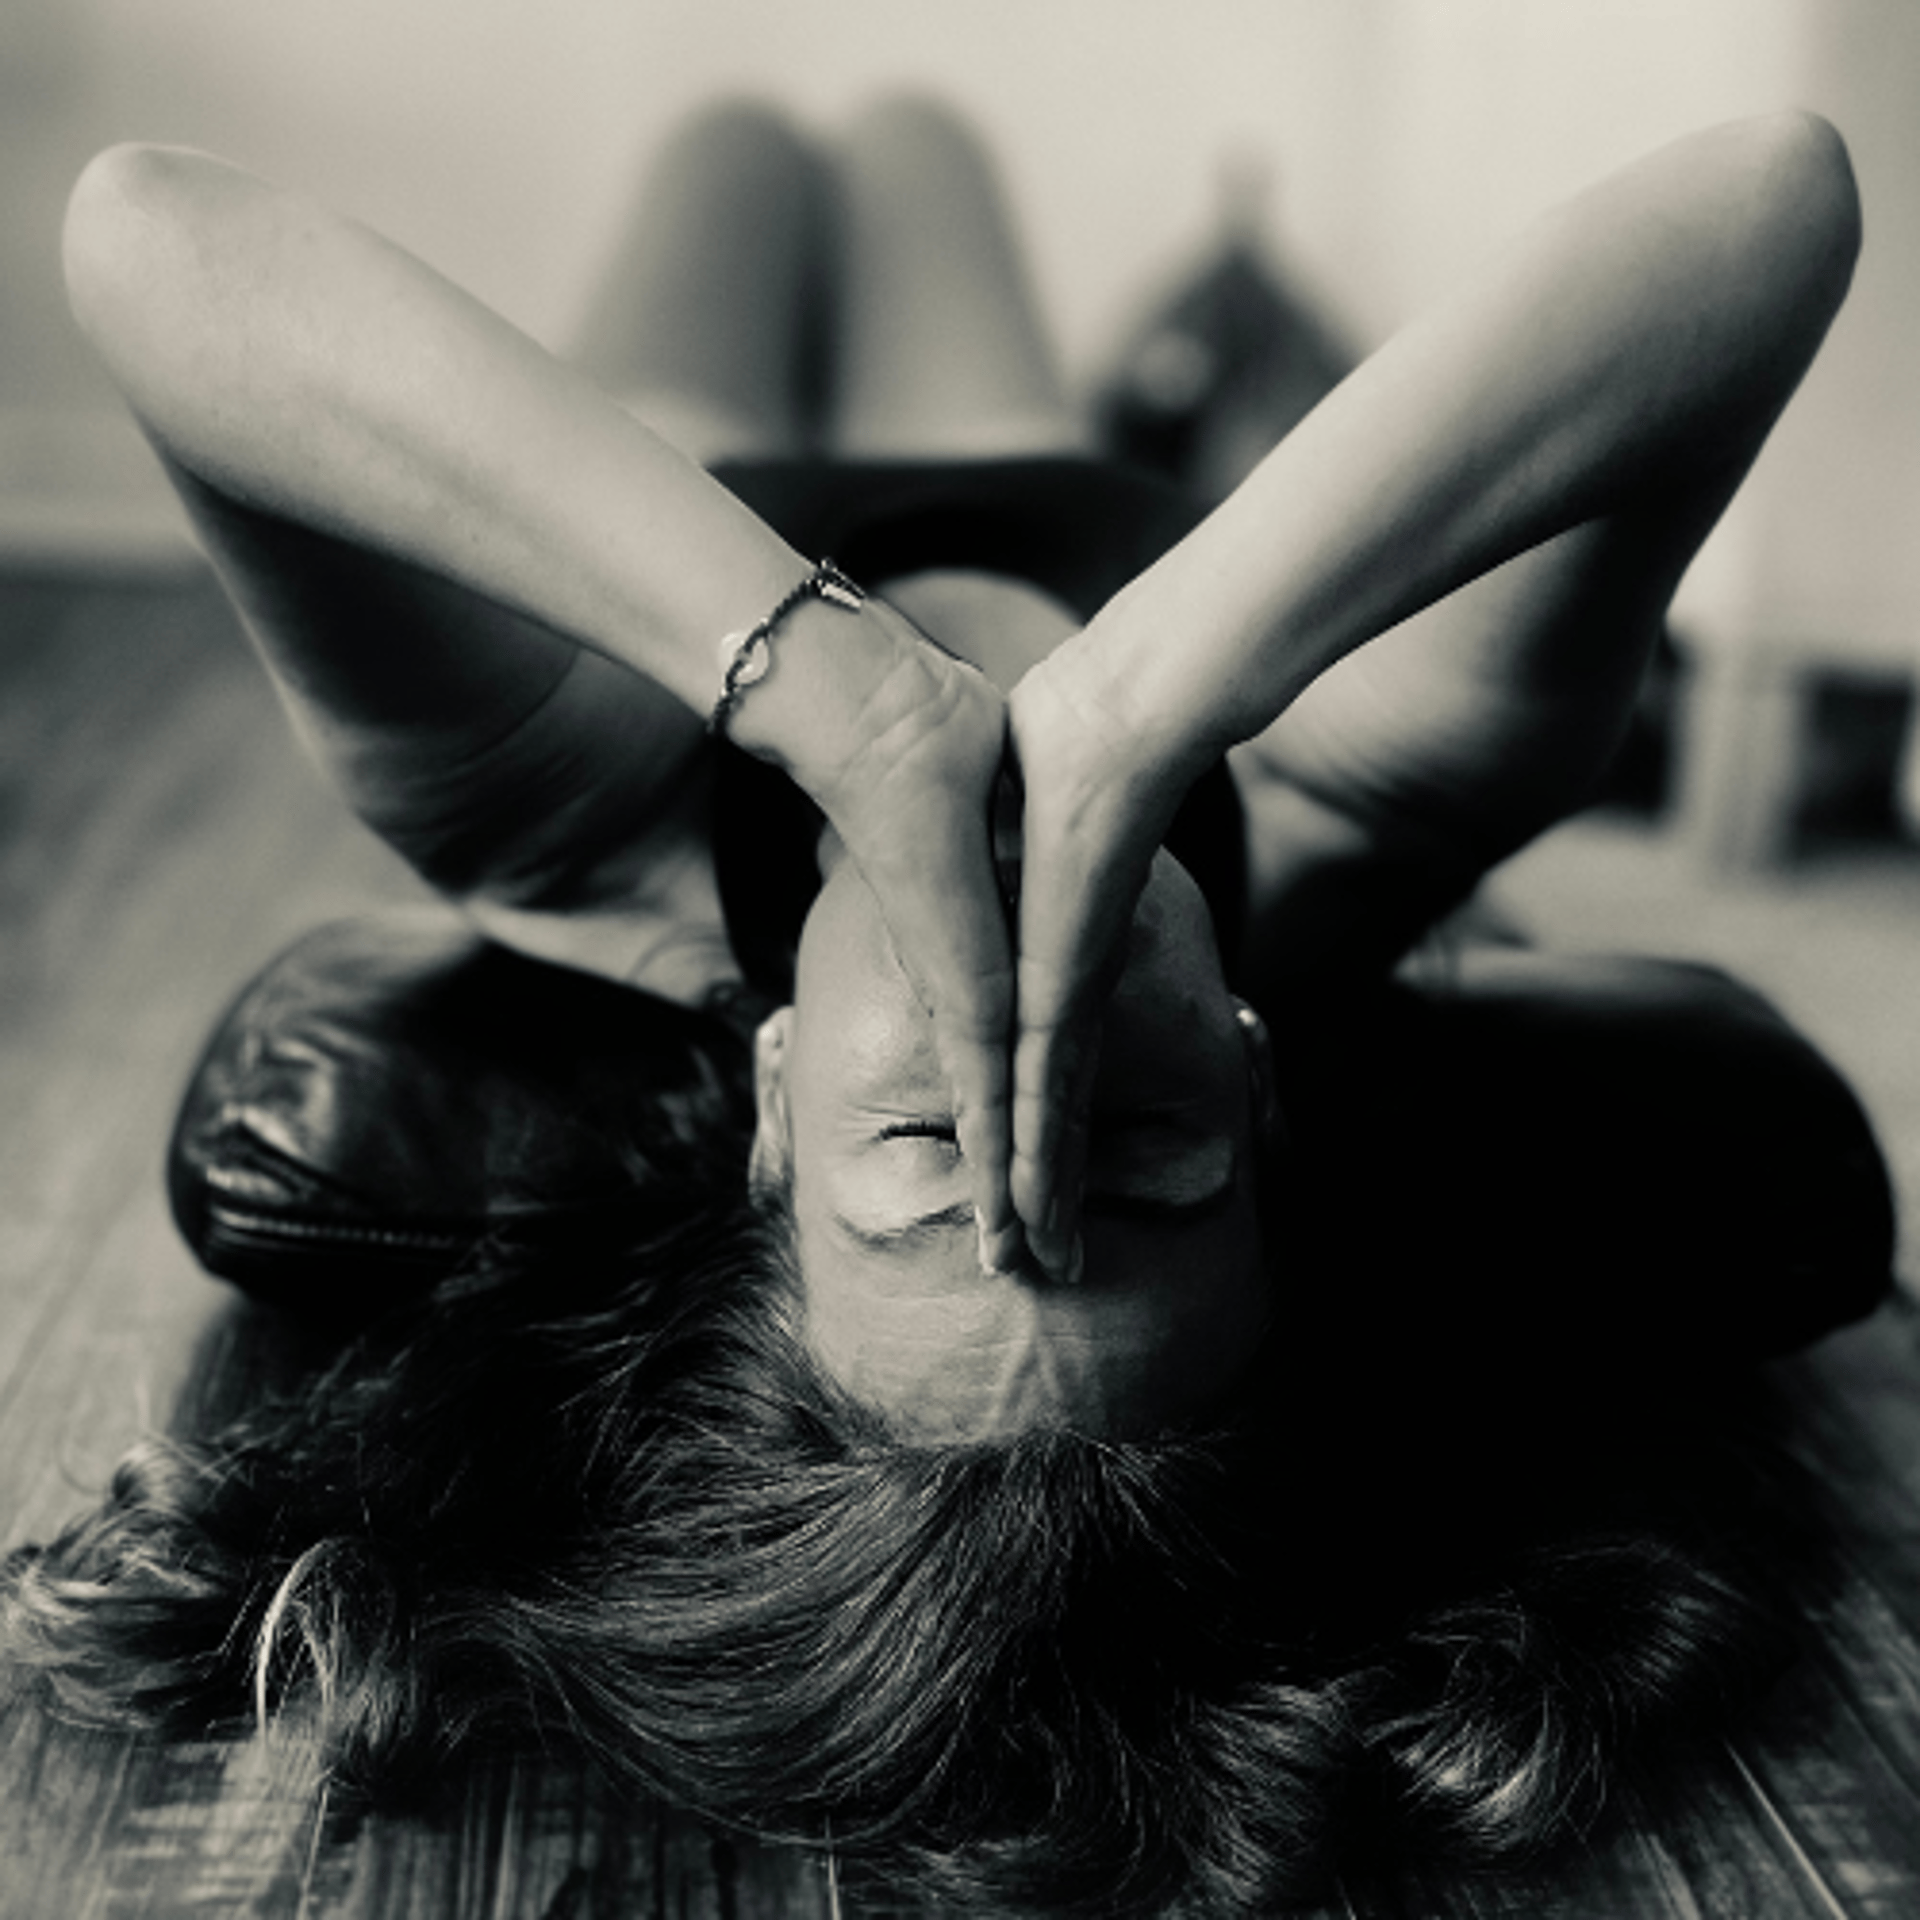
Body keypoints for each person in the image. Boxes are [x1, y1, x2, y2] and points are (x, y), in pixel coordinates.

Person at [1, 97, 1892, 1913]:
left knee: (735, 143)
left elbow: (148, 237)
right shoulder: (1368, 796)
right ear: (1255, 1088)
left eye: (919, 1151)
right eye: (1141, 1154)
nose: (1025, 1068)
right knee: (923, 145)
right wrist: (1152, 693)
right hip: (1025, 453)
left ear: (770, 1107)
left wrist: (847, 695)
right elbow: (1773, 199)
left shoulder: (564, 814)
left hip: (673, 468)